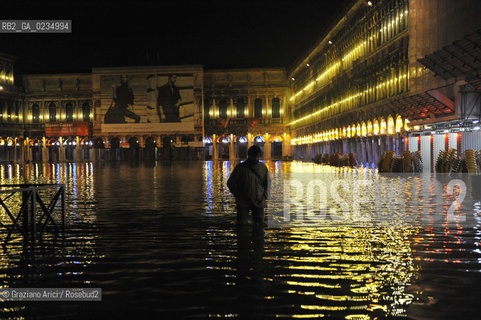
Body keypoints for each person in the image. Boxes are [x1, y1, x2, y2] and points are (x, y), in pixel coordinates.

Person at [227, 145, 271, 226]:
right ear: (249, 156)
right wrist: (237, 195)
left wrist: (265, 196)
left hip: (258, 200)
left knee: (259, 223)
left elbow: (267, 183)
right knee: (243, 223)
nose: (256, 159)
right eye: (254, 156)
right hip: (243, 201)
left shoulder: (263, 167)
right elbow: (231, 183)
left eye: (257, 156)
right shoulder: (240, 168)